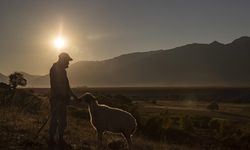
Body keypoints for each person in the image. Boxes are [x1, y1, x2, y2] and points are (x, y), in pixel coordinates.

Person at [48, 52, 78, 146]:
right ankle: (52, 140)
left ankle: (60, 139)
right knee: (55, 120)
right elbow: (55, 84)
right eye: (67, 61)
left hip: (62, 100)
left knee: (62, 121)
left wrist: (74, 96)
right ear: (62, 60)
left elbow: (67, 87)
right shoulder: (54, 69)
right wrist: (60, 95)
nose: (68, 63)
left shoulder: (62, 71)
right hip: (57, 100)